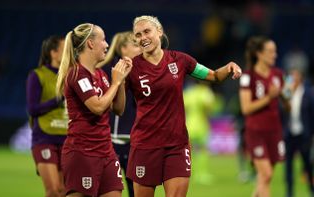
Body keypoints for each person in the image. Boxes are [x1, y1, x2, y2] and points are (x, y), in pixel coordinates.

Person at [125, 15, 242, 197]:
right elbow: (117, 106)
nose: (143, 38)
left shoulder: (180, 60)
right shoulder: (132, 67)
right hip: (145, 146)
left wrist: (228, 67)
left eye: (147, 31)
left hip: (176, 146)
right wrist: (116, 82)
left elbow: (214, 76)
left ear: (159, 32)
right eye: (138, 35)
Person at [55, 23, 132, 197]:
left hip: (106, 152)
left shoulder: (101, 75)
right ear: (90, 43)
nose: (106, 45)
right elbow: (97, 107)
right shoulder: (76, 74)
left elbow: (118, 109)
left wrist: (122, 81)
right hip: (82, 153)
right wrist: (116, 82)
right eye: (103, 40)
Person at [239, 36, 288, 197]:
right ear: (259, 54)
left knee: (265, 177)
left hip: (274, 130)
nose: (275, 55)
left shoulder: (279, 75)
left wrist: (285, 95)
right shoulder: (248, 76)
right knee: (265, 174)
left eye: (275, 51)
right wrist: (269, 97)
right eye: (270, 51)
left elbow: (288, 106)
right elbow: (246, 108)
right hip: (256, 132)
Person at [98, 31, 142, 197]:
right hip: (109, 144)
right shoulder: (105, 71)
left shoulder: (142, 72)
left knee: (136, 191)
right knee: (109, 191)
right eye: (136, 45)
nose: (140, 48)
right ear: (123, 48)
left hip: (134, 143)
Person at [26, 35, 67, 197]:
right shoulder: (37, 75)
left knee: (64, 191)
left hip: (67, 139)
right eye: (65, 49)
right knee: (53, 191)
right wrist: (59, 99)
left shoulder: (70, 74)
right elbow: (32, 109)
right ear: (54, 53)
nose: (68, 53)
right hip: (45, 138)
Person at [282, 66, 314, 197]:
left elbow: (312, 115)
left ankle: (311, 189)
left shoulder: (308, 93)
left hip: (304, 134)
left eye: (296, 76)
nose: (293, 79)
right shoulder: (287, 93)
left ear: (301, 78)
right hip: (289, 134)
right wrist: (287, 93)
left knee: (307, 165)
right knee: (288, 165)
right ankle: (289, 192)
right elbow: (282, 110)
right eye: (291, 76)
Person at [183, 79, 215, 185]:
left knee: (188, 151)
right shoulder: (205, 92)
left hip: (189, 125)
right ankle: (202, 174)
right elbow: (209, 106)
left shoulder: (188, 93)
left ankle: (187, 172)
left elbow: (183, 107)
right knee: (203, 150)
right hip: (201, 125)